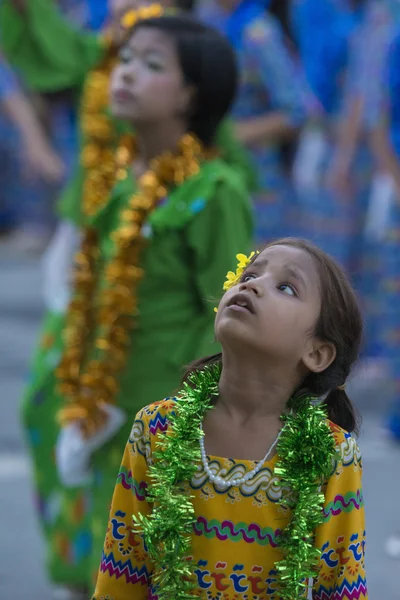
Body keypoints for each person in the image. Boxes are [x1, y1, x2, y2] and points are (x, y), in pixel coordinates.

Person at [22, 12, 254, 596]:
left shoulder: (214, 192)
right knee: (112, 556)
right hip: (110, 405)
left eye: (152, 66)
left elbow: (229, 312)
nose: (125, 73)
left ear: (191, 95)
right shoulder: (123, 184)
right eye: (125, 60)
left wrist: (191, 408)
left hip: (165, 413)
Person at [93, 237, 367, 599]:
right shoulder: (157, 427)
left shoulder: (331, 453)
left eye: (285, 287)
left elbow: (342, 588)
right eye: (249, 274)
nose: (252, 284)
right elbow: (122, 572)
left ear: (316, 352)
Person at [203, 0, 305, 243]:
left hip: (255, 179)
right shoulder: (206, 22)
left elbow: (296, 112)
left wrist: (234, 135)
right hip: (211, 171)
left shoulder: (259, 33)